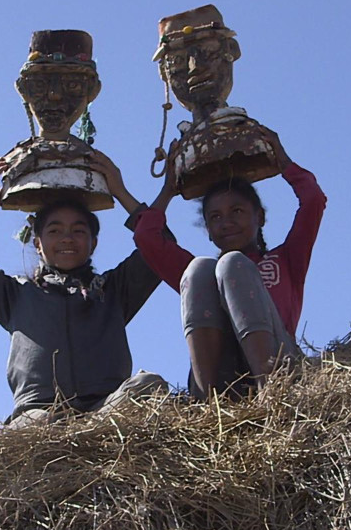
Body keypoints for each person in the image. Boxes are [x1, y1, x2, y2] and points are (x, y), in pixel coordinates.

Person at [0, 153, 167, 425]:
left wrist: (120, 191)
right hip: (38, 416)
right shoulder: (15, 294)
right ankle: (63, 437)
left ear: (93, 243)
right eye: (55, 231)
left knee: (149, 385)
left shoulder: (113, 290)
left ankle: (83, 436)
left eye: (78, 231)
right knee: (35, 425)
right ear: (37, 243)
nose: (67, 238)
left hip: (106, 410)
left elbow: (161, 245)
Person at [134, 127, 326, 396]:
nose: (226, 223)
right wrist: (169, 189)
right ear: (209, 231)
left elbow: (313, 201)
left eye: (237, 211)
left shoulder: (286, 259)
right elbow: (146, 237)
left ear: (259, 217)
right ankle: (205, 402)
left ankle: (271, 391)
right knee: (199, 267)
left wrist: (282, 161)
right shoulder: (206, 279)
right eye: (215, 217)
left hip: (281, 366)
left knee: (232, 264)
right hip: (226, 380)